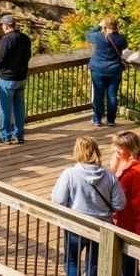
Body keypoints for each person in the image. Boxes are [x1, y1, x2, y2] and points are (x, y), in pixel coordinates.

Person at [52, 137, 126, 276]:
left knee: (72, 260)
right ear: (96, 151)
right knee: (94, 263)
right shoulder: (109, 176)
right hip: (102, 227)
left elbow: (58, 200)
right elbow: (120, 204)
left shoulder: (70, 174)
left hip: (76, 225)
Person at [0, 15, 31, 144]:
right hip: (21, 77)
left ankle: (5, 135)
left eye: (2, 25)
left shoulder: (6, 40)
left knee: (5, 108)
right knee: (19, 107)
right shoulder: (25, 38)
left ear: (7, 26)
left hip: (7, 79)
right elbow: (28, 56)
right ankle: (19, 134)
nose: (2, 27)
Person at [88, 17, 128, 127]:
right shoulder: (121, 38)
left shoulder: (98, 36)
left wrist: (98, 26)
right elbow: (124, 46)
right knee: (112, 96)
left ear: (105, 26)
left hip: (98, 70)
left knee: (98, 95)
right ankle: (110, 120)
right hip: (114, 70)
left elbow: (87, 34)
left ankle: (97, 119)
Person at [111, 132, 140, 276]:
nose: (116, 149)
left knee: (128, 261)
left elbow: (113, 193)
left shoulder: (131, 173)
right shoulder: (131, 165)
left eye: (120, 146)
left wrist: (113, 168)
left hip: (131, 223)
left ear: (131, 149)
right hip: (130, 220)